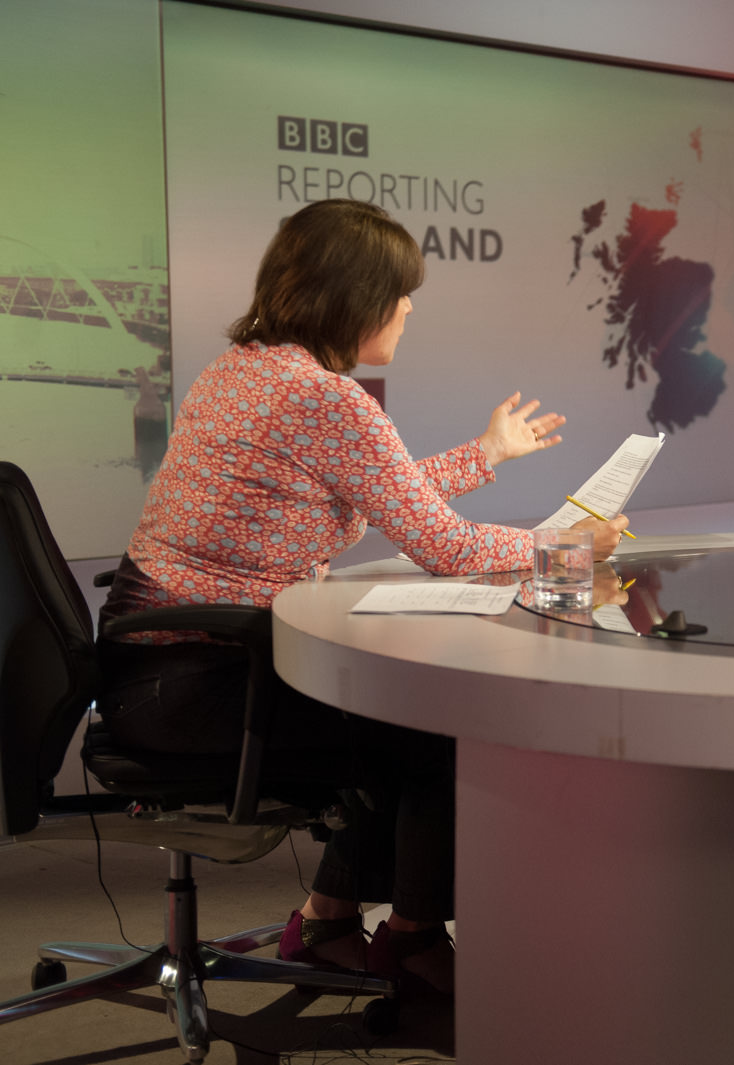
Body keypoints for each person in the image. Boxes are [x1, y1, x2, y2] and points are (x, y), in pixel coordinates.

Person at [97, 199, 629, 996]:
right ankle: (411, 941)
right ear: (355, 295)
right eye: (401, 292)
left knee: (390, 707)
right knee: (432, 725)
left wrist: (485, 453)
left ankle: (328, 923)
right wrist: (566, 549)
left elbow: (377, 486)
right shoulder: (323, 398)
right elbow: (444, 545)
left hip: (148, 671)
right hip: (195, 684)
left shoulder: (249, 367)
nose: (410, 308)